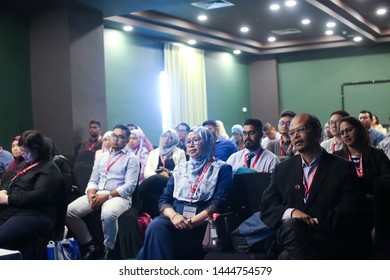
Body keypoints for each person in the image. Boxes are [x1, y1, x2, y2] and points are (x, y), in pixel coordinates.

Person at [260, 113, 363, 259]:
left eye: (301, 130)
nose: (295, 136)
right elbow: (267, 206)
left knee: (287, 256)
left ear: (317, 133)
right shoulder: (282, 169)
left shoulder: (342, 168)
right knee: (293, 226)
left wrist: (313, 222)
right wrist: (292, 212)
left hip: (326, 234)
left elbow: (350, 209)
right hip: (289, 234)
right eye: (292, 132)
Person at [138, 126, 233, 260]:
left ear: (207, 142)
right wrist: (174, 216)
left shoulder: (221, 168)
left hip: (203, 220)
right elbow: (164, 199)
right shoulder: (180, 168)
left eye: (196, 140)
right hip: (176, 217)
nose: (191, 144)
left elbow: (220, 201)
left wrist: (193, 221)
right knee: (155, 226)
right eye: (188, 141)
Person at [66, 124, 140, 260]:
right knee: (69, 212)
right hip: (99, 192)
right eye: (114, 136)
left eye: (121, 137)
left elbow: (129, 186)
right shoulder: (101, 157)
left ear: (127, 140)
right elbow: (93, 180)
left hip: (119, 196)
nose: (116, 139)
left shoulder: (132, 159)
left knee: (108, 214)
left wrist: (107, 196)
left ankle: (108, 249)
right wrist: (90, 194)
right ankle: (90, 245)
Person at [0, 130, 64, 258]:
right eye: (22, 151)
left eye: (26, 152)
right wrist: (4, 190)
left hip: (38, 213)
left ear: (38, 150)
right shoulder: (26, 164)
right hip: (17, 209)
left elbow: (38, 196)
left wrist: (8, 199)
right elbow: (12, 180)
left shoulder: (49, 169)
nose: (23, 155)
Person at [335, 116, 390, 195]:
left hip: (373, 202)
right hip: (347, 204)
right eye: (342, 133)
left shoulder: (377, 155)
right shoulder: (337, 157)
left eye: (349, 130)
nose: (345, 135)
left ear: (359, 130)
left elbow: (386, 183)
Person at [139, 129, 186, 217]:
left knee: (155, 180)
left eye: (170, 138)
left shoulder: (180, 153)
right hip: (154, 183)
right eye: (164, 136)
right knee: (155, 181)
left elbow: (182, 172)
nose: (166, 139)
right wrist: (160, 176)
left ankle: (136, 196)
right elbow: (147, 172)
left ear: (175, 140)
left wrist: (169, 173)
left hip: (171, 182)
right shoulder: (153, 152)